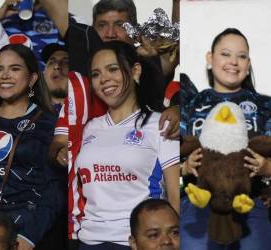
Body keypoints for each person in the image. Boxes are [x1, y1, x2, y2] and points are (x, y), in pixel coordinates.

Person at [72, 41, 179, 249]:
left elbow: (175, 198)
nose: (104, 79)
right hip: (88, 240)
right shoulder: (90, 128)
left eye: (113, 69)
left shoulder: (161, 124)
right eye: (96, 74)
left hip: (137, 242)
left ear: (135, 71)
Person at [180, 28, 271, 250]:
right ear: (210, 59)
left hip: (250, 205)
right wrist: (185, 167)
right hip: (197, 205)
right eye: (225, 54)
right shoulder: (191, 104)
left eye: (241, 56)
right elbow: (169, 156)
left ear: (248, 64)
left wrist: (267, 167)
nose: (234, 62)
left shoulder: (265, 105)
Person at [0, 44, 62, 250]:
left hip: (21, 234)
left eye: (15, 69)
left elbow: (55, 189)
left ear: (32, 79)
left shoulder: (50, 124)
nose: (5, 75)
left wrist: (29, 236)